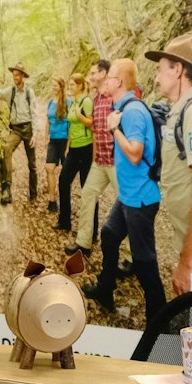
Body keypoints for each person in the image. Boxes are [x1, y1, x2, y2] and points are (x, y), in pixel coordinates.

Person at [86, 59, 165, 320]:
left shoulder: (131, 112)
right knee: (109, 234)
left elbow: (134, 153)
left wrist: (113, 129)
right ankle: (105, 288)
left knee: (144, 262)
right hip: (129, 196)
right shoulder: (124, 108)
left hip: (141, 199)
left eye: (108, 78)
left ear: (118, 82)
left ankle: (160, 321)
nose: (104, 82)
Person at [146, 34, 192, 299]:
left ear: (178, 69)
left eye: (161, 68)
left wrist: (188, 264)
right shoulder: (183, 108)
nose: (157, 77)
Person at [0, 64, 37, 205]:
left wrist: (35, 134)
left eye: (17, 75)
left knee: (32, 164)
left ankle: (33, 194)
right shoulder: (10, 92)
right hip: (16, 129)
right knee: (6, 148)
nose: (15, 77)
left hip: (28, 128)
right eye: (14, 74)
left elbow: (34, 113)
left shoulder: (29, 93)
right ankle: (7, 188)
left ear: (23, 76)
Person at [72, 59, 115, 253]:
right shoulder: (96, 99)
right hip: (100, 161)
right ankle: (83, 242)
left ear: (105, 73)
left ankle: (131, 257)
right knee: (88, 194)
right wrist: (95, 155)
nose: (90, 77)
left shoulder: (115, 98)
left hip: (116, 162)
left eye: (94, 73)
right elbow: (97, 130)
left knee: (127, 205)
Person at [56, 73, 93, 232]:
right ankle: (65, 222)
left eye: (72, 85)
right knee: (63, 181)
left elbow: (92, 124)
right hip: (73, 149)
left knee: (87, 189)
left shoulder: (87, 101)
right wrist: (67, 147)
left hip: (86, 149)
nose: (69, 87)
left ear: (80, 86)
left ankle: (91, 232)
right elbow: (71, 125)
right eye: (69, 84)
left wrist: (80, 116)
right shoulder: (73, 102)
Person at [43, 78, 69, 210]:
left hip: (65, 140)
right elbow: (48, 121)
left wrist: (69, 145)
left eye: (55, 85)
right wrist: (45, 137)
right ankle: (52, 200)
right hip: (53, 140)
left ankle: (65, 202)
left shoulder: (68, 102)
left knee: (65, 174)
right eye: (52, 85)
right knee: (49, 168)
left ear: (61, 86)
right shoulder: (50, 103)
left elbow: (71, 123)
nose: (53, 87)